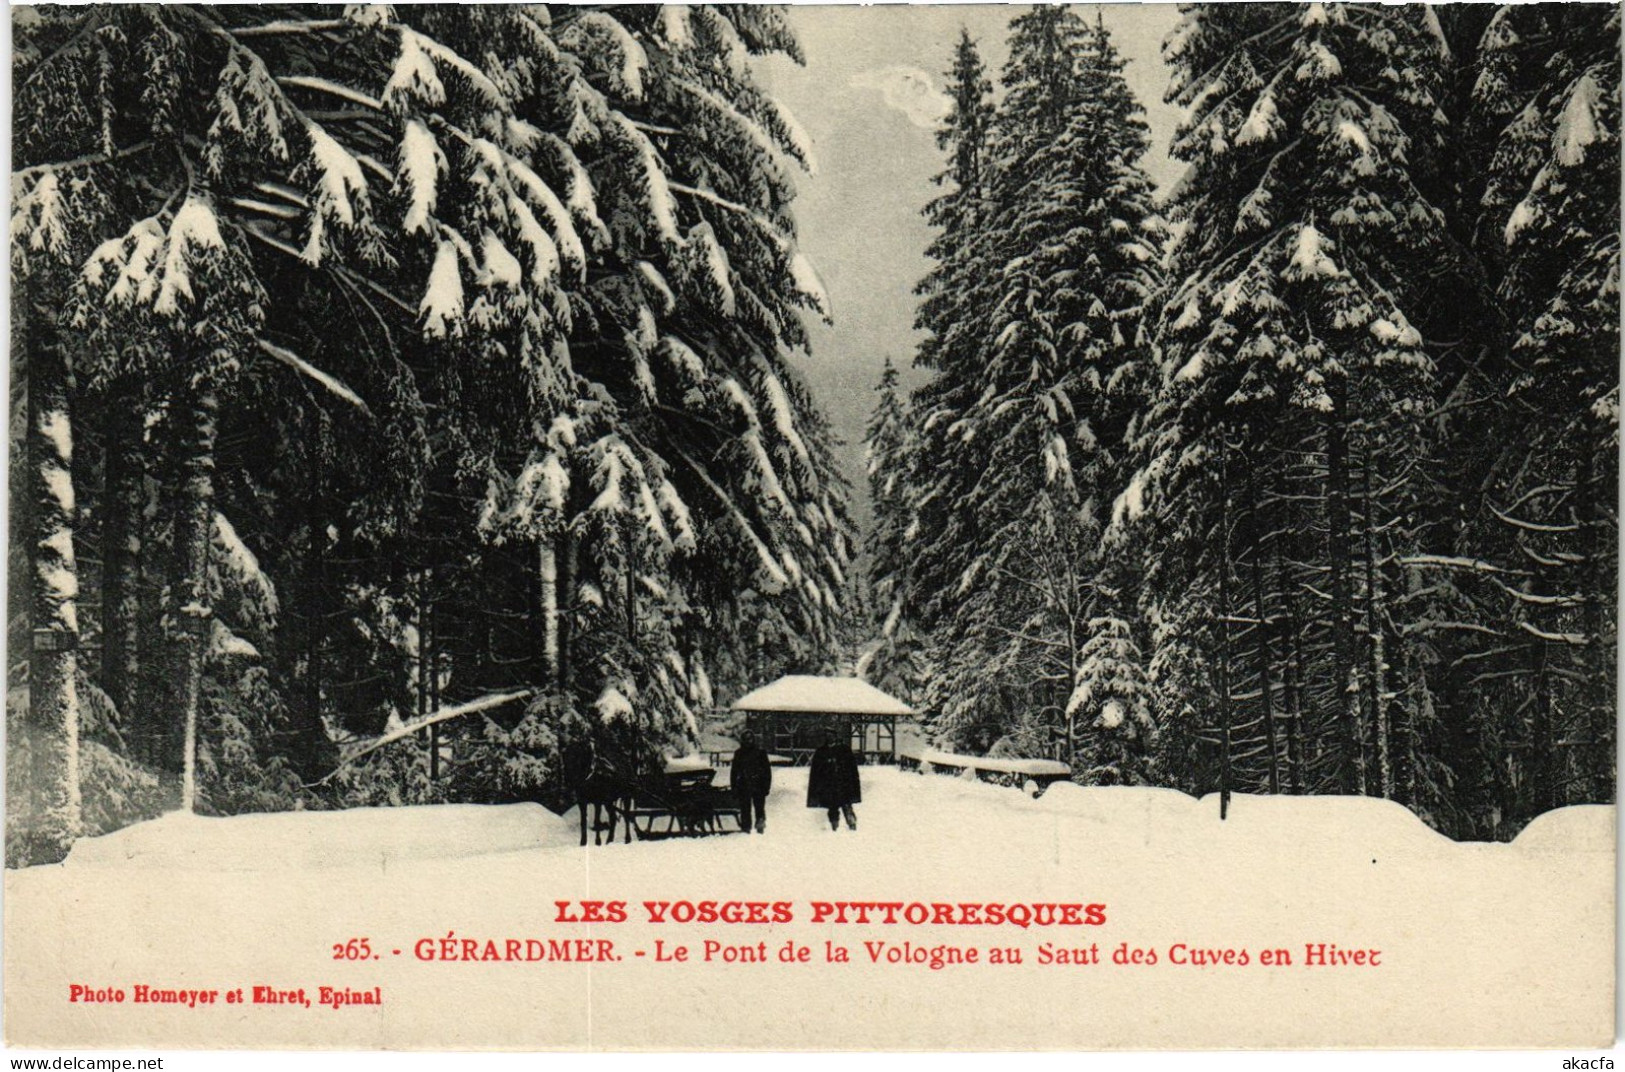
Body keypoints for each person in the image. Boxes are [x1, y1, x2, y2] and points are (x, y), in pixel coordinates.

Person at [807, 728, 861, 831]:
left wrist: (851, 783)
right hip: (829, 787)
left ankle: (852, 825)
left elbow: (852, 769)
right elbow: (817, 772)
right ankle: (834, 827)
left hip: (843, 785)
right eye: (827, 735)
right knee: (832, 808)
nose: (829, 737)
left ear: (836, 736)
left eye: (831, 735)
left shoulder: (845, 750)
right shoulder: (821, 752)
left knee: (847, 806)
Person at [731, 729, 773, 834]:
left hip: (758, 786)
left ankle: (760, 826)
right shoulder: (739, 754)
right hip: (744, 785)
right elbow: (734, 772)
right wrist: (734, 787)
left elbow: (767, 771)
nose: (748, 741)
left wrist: (767, 787)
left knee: (759, 808)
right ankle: (746, 828)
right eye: (746, 739)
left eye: (750, 739)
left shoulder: (760, 753)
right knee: (745, 809)